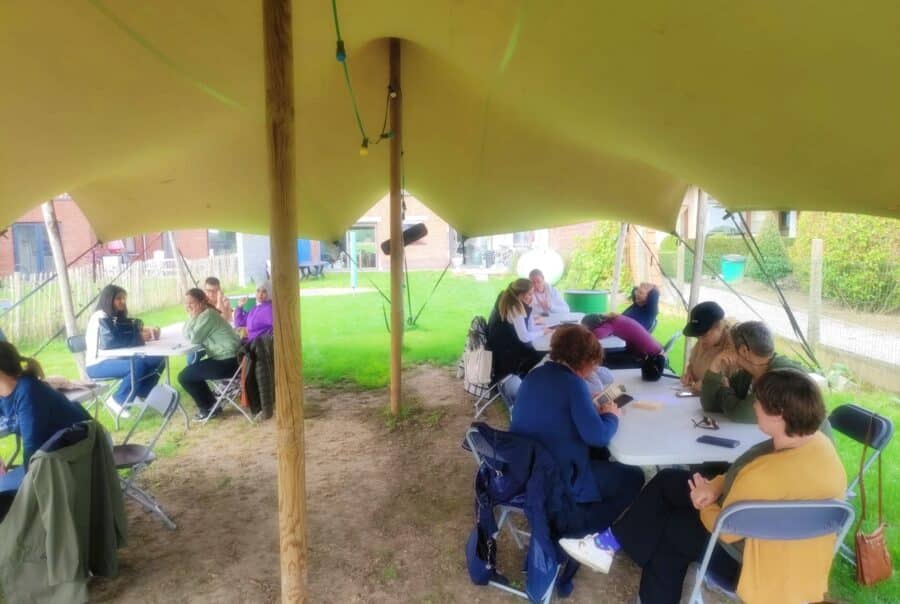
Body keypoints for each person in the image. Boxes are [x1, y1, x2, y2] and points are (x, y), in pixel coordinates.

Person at [560, 369, 847, 604]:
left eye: (758, 401)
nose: (754, 405)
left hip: (754, 566)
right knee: (669, 481)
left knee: (672, 529)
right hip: (802, 563)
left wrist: (704, 502)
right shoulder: (821, 447)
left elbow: (725, 530)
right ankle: (609, 542)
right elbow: (743, 470)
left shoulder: (761, 476)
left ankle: (620, 554)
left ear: (778, 414)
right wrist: (715, 485)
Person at [511, 325, 644, 533]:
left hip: (527, 468)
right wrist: (612, 415)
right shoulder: (574, 384)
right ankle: (584, 529)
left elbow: (556, 410)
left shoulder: (535, 375)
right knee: (633, 477)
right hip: (557, 477)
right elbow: (598, 437)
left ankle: (581, 509)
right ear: (585, 361)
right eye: (593, 364)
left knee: (601, 457)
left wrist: (586, 404)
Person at [0, 342, 91, 469]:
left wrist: (28, 481)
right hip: (55, 455)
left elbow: (31, 446)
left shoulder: (28, 390)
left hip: (81, 454)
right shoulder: (5, 391)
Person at [701, 321, 808, 423]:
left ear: (743, 350)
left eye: (730, 347)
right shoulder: (747, 374)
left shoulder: (782, 377)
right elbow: (710, 406)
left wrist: (725, 390)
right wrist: (715, 367)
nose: (726, 352)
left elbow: (739, 413)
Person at [85, 285, 164, 417]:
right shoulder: (100, 316)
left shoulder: (114, 316)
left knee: (157, 358)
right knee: (137, 365)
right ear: (109, 299)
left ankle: (139, 394)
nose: (122, 301)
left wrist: (147, 331)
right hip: (98, 364)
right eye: (118, 298)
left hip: (117, 359)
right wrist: (139, 337)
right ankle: (118, 399)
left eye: (123, 298)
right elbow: (112, 341)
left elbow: (124, 332)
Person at [178, 288, 241, 420]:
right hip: (227, 359)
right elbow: (186, 334)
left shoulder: (208, 316)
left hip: (228, 362)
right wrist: (192, 317)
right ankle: (211, 406)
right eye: (186, 303)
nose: (188, 306)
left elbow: (194, 338)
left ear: (202, 303)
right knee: (190, 373)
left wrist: (192, 317)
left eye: (191, 303)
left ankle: (207, 408)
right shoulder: (205, 315)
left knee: (185, 377)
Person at [486, 279, 548, 379]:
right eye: (530, 294)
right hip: (506, 357)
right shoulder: (515, 307)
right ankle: (527, 380)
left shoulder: (509, 301)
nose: (532, 297)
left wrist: (543, 329)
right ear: (521, 295)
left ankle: (527, 378)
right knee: (543, 354)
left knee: (538, 350)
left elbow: (529, 328)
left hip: (501, 349)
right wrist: (542, 332)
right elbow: (524, 337)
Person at [582, 313, 665, 374]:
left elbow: (597, 335)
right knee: (605, 356)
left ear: (594, 326)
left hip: (648, 357)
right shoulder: (613, 319)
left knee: (603, 362)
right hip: (651, 349)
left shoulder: (610, 325)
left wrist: (583, 332)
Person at [681, 301, 735, 392]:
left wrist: (710, 385)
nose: (700, 340)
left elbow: (734, 389)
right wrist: (689, 374)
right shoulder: (705, 340)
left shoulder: (734, 347)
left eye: (704, 335)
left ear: (719, 326)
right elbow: (692, 365)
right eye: (697, 336)